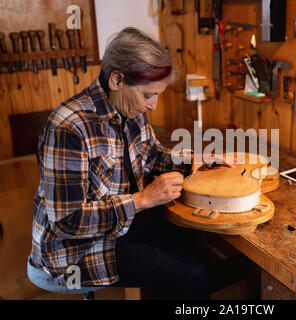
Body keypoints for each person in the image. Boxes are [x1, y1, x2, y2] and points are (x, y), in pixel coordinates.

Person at [28, 27, 231, 300]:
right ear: (117, 79)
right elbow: (67, 222)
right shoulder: (68, 127)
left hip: (119, 226)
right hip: (74, 250)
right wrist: (142, 199)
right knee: (190, 274)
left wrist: (193, 161)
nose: (154, 106)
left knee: (191, 247)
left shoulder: (128, 109)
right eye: (148, 95)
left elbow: (152, 156)